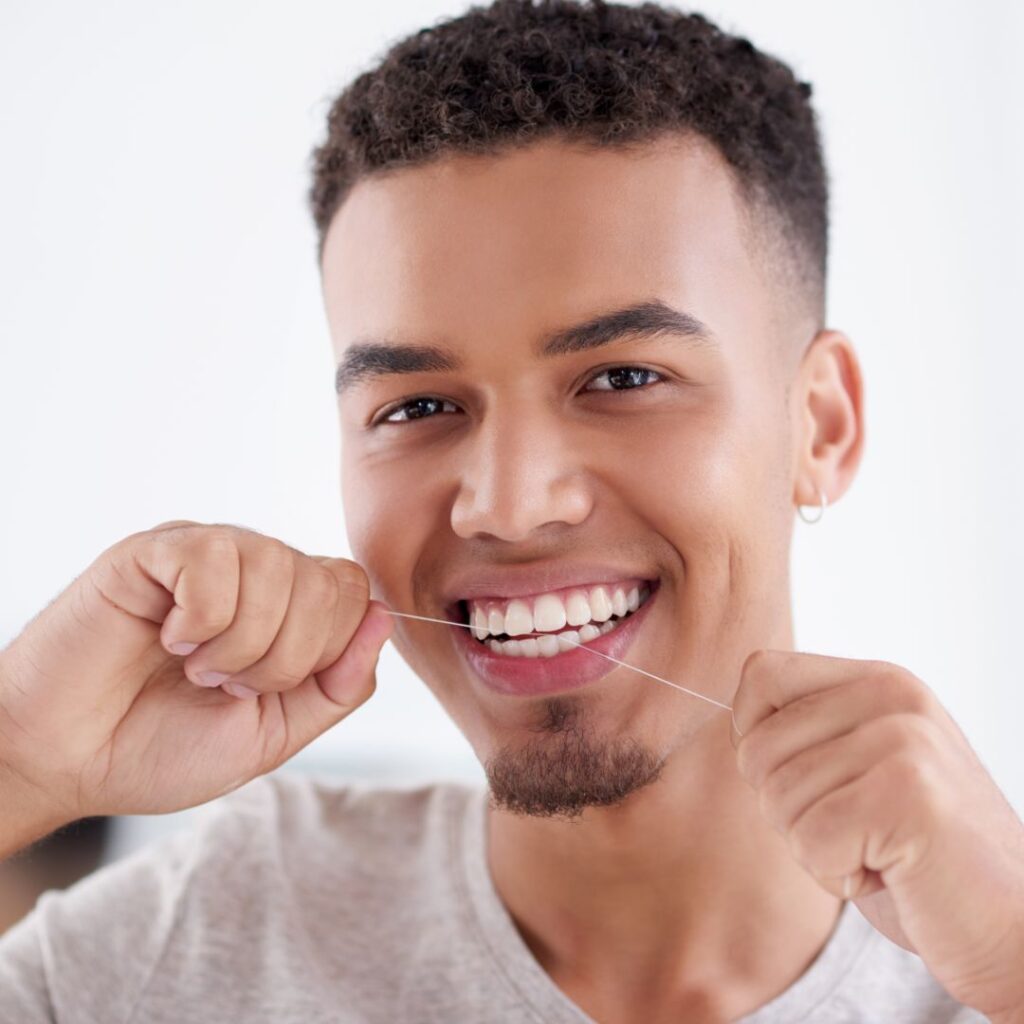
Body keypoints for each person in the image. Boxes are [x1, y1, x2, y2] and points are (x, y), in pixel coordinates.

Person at [1, 0, 1021, 1020]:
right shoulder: (187, 943)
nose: (508, 506)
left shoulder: (989, 953)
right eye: (418, 405)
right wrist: (18, 759)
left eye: (623, 377)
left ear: (821, 426)